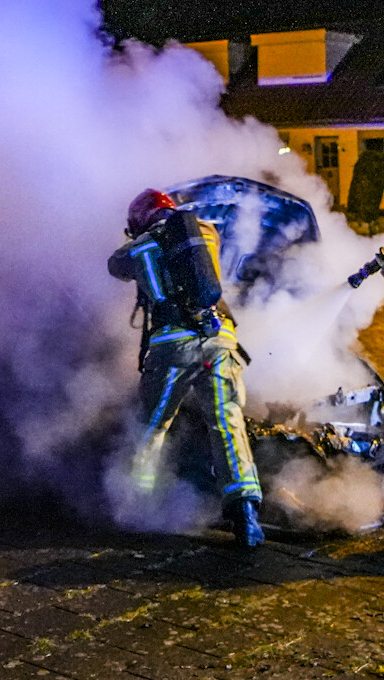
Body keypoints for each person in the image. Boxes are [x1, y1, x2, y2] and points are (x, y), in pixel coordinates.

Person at [107, 188, 264, 548]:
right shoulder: (205, 232)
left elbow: (115, 266)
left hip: (172, 348)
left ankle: (137, 504)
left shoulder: (141, 245)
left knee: (152, 425)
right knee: (226, 423)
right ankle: (246, 516)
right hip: (220, 339)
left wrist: (137, 241)